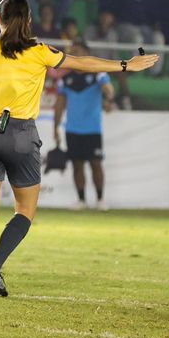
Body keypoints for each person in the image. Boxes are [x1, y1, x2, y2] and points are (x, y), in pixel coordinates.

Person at [0, 0, 158, 296]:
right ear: (30, 21)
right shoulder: (38, 52)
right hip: (21, 134)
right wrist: (127, 64)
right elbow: (81, 63)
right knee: (24, 210)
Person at [54, 40, 115, 211]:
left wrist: (109, 99)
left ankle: (100, 199)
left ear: (87, 54)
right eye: (72, 52)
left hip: (92, 129)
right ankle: (81, 200)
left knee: (96, 164)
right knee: (77, 165)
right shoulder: (65, 80)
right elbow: (59, 105)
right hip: (72, 129)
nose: (74, 55)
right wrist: (55, 128)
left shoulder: (98, 74)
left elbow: (108, 88)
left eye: (77, 51)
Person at [99, 0, 166, 76]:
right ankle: (137, 68)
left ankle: (155, 72)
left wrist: (157, 23)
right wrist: (109, 17)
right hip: (125, 26)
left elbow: (159, 12)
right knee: (137, 39)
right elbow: (106, 5)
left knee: (159, 38)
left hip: (146, 27)